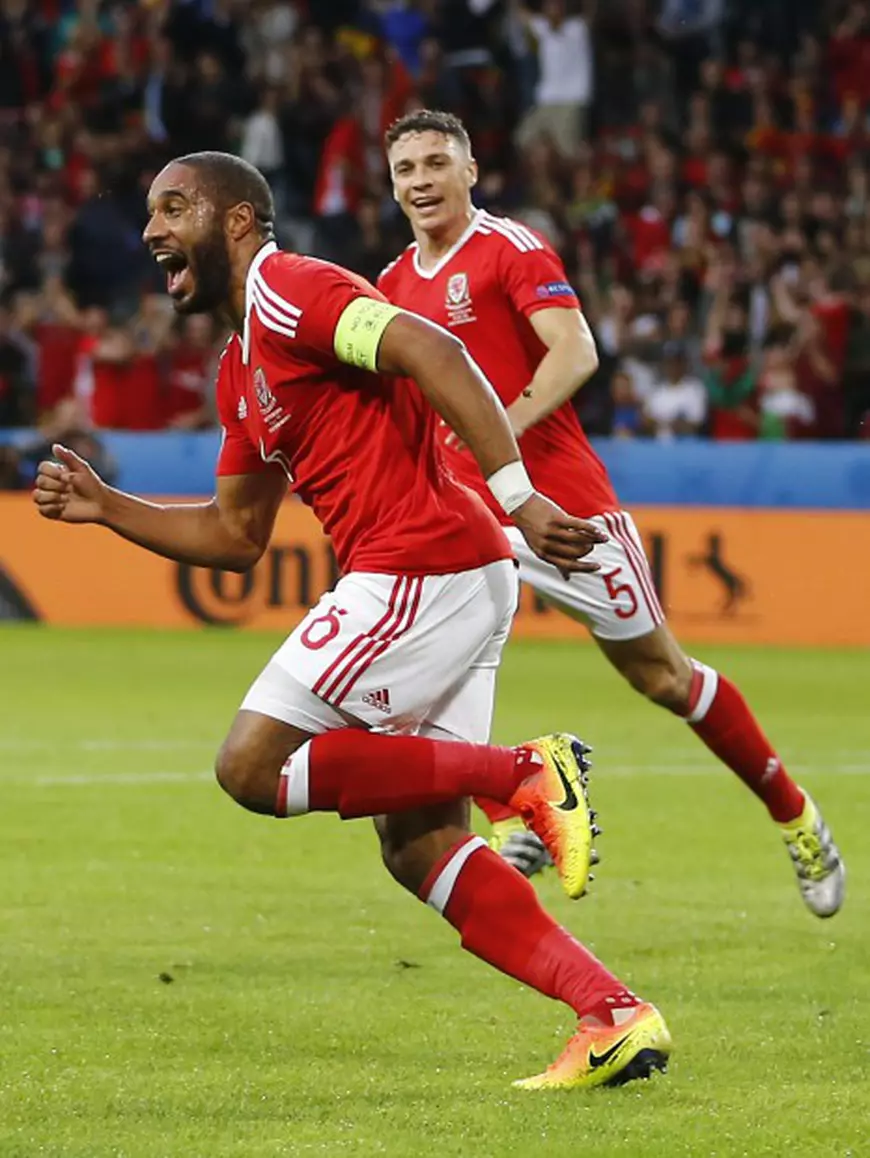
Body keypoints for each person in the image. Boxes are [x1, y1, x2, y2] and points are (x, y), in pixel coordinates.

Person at [33, 151, 671, 1090]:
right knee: (420, 846)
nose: (152, 231)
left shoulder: (292, 290)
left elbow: (434, 348)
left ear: (241, 220)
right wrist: (107, 508)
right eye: (150, 213)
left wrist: (518, 494)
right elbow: (237, 532)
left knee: (249, 766)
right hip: (454, 574)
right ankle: (613, 1015)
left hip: (422, 562)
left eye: (176, 209)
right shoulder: (242, 363)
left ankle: (525, 772)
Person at [378, 109, 845, 917]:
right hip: (465, 514)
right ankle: (523, 803)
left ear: (470, 171)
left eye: (433, 164)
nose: (420, 181)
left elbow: (577, 350)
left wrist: (498, 438)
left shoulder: (510, 249)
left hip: (561, 503)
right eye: (405, 170)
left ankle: (795, 815)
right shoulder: (391, 285)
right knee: (419, 670)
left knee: (663, 676)